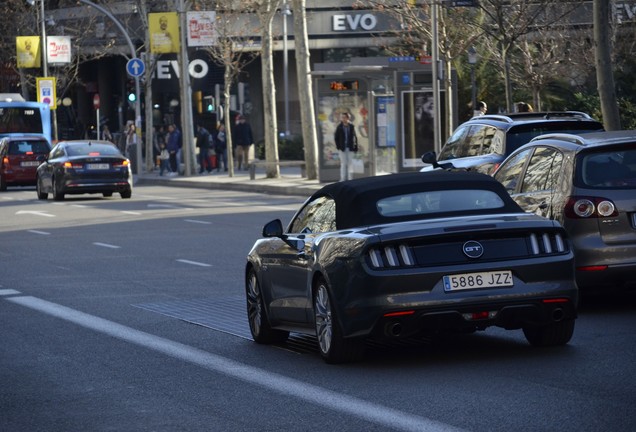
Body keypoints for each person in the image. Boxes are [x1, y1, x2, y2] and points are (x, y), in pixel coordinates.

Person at [334, 112, 358, 181]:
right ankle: (343, 179)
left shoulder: (351, 126)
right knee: (343, 164)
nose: (343, 119)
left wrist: (355, 147)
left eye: (344, 117)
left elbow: (355, 137)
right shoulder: (339, 127)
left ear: (348, 118)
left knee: (350, 164)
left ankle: (350, 179)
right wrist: (338, 147)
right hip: (342, 148)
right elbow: (336, 138)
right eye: (342, 117)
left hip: (350, 148)